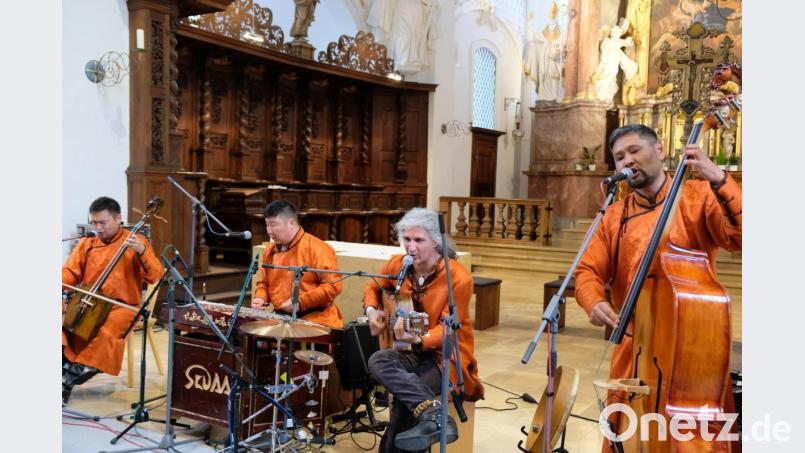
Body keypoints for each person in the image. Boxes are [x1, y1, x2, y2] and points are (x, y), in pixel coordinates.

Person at [574, 124, 742, 451]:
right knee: (624, 432)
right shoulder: (614, 215)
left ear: (661, 150)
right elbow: (587, 270)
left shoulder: (698, 196)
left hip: (692, 350)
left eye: (635, 150)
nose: (627, 161)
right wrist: (592, 300)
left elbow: (740, 238)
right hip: (635, 345)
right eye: (619, 157)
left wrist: (720, 179)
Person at [363, 208, 483, 452]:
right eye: (406, 240)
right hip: (408, 349)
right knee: (377, 360)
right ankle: (434, 414)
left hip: (445, 355)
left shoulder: (457, 277)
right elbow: (373, 285)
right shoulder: (398, 265)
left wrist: (421, 339)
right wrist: (372, 311)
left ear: (436, 243)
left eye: (418, 240)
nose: (410, 247)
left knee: (404, 406)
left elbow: (450, 329)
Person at [62, 197, 163, 404]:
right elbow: (70, 272)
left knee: (106, 335)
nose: (98, 228)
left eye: (103, 223)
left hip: (121, 307)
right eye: (94, 222)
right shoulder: (87, 243)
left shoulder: (136, 242)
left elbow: (156, 276)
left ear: (119, 218)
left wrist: (142, 252)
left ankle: (66, 382)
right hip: (88, 301)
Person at [252, 200, 343, 328]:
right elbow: (264, 283)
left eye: (273, 224)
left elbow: (333, 286)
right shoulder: (270, 250)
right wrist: (260, 298)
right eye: (267, 225)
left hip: (315, 319)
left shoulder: (317, 248)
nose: (269, 231)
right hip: (280, 318)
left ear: (291, 223)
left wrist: (300, 302)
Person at [592, 18, 638, 102]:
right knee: (604, 78)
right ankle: (602, 96)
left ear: (619, 33)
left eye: (615, 30)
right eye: (613, 29)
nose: (613, 30)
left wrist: (627, 41)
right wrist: (625, 41)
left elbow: (626, 43)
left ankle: (605, 97)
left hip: (611, 65)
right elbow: (621, 42)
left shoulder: (616, 46)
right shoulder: (608, 42)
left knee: (609, 78)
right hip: (605, 63)